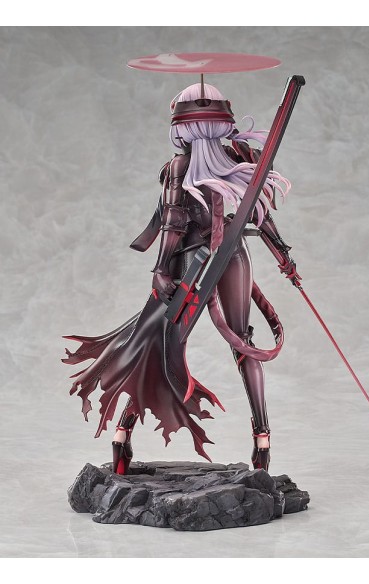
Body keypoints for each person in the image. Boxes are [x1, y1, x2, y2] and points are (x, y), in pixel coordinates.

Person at [63, 82, 295, 474]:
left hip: (196, 259)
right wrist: (283, 255)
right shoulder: (236, 157)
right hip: (222, 256)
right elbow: (258, 216)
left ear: (182, 126)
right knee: (226, 342)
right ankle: (262, 440)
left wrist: (160, 270)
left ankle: (123, 435)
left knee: (163, 345)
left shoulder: (188, 165)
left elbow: (177, 223)